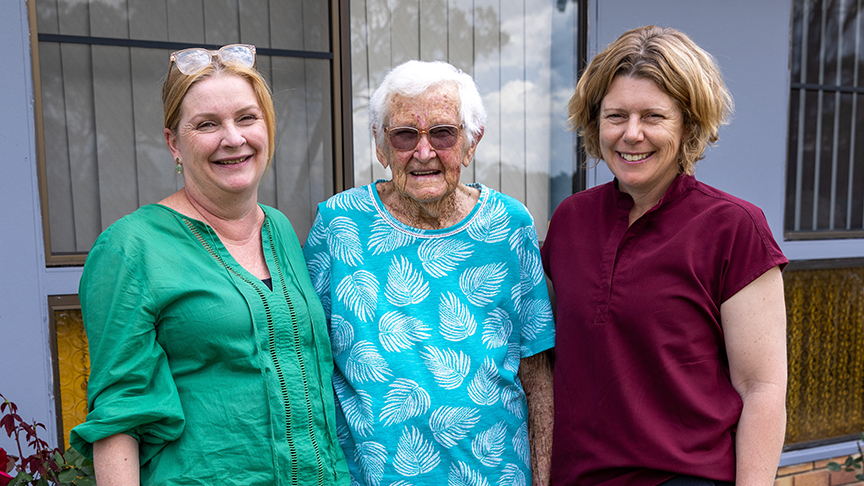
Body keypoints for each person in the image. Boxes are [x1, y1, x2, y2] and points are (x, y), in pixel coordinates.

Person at [70, 44, 349, 486]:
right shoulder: (131, 248)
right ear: (173, 143)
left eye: (246, 118)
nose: (233, 139)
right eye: (207, 124)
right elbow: (119, 413)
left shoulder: (279, 229)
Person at [542, 25, 788, 485]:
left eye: (653, 116)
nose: (631, 135)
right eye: (616, 116)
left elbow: (762, 389)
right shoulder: (570, 220)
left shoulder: (734, 228)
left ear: (690, 124)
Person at [302, 60, 555, 485]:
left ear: (471, 143)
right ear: (381, 147)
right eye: (404, 135)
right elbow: (307, 365)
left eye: (443, 133)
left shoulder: (510, 225)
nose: (424, 153)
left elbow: (538, 378)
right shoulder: (338, 224)